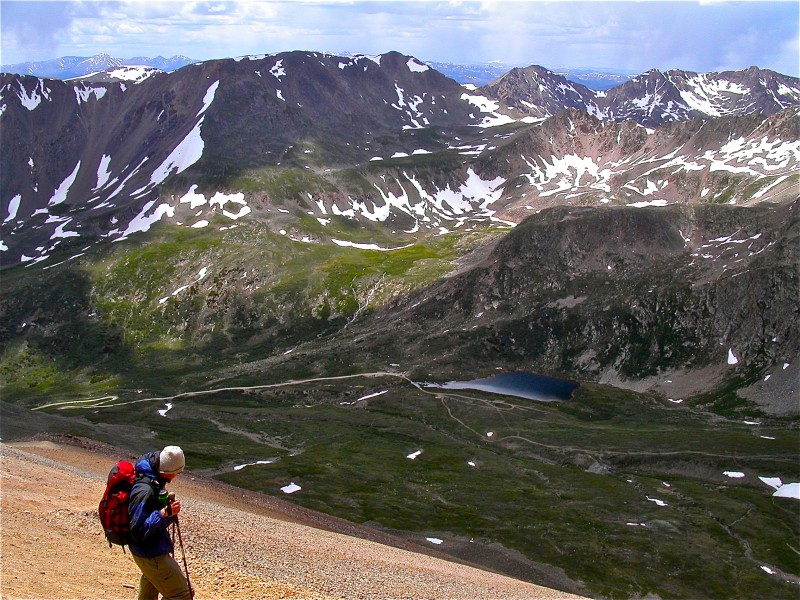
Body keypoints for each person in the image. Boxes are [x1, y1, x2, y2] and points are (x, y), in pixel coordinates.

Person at [128, 445, 192, 600]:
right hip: (149, 552)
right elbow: (137, 530)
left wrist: (164, 508)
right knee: (182, 594)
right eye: (177, 472)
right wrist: (164, 513)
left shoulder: (152, 469)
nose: (177, 475)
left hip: (148, 551)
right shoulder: (145, 490)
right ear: (167, 472)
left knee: (151, 587)